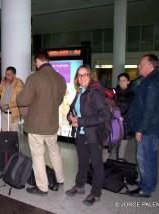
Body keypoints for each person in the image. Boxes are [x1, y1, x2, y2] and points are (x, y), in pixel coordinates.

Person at [17, 50, 66, 196]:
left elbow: (23, 100)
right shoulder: (60, 78)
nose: (35, 64)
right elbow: (60, 101)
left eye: (35, 62)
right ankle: (60, 178)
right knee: (54, 151)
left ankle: (42, 187)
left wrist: (20, 96)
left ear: (38, 60)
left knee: (38, 155)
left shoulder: (35, 77)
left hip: (36, 124)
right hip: (52, 123)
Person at [66, 65, 111, 206]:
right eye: (79, 75)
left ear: (90, 76)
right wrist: (70, 117)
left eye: (85, 75)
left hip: (94, 134)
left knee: (97, 165)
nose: (82, 78)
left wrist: (80, 121)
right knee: (83, 162)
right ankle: (79, 186)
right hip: (81, 134)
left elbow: (105, 115)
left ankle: (96, 193)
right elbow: (73, 110)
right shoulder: (80, 91)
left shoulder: (95, 91)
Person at [127, 54, 159, 198]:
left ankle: (146, 189)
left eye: (141, 64)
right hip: (152, 128)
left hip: (149, 130)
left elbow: (149, 110)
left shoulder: (152, 83)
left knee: (144, 158)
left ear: (150, 66)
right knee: (150, 158)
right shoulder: (152, 80)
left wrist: (140, 129)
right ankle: (150, 183)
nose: (139, 66)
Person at [113, 73, 134, 161]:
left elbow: (133, 109)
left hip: (125, 123)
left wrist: (124, 117)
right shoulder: (114, 93)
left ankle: (120, 161)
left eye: (124, 80)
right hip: (113, 122)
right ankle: (105, 164)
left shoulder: (132, 94)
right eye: (120, 81)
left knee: (122, 145)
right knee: (110, 144)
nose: (122, 83)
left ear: (128, 81)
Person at [0, 66, 24, 131]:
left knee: (13, 135)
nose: (6, 76)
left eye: (9, 75)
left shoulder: (19, 83)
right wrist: (1, 84)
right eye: (6, 74)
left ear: (14, 75)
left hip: (13, 114)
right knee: (4, 135)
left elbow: (21, 100)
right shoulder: (5, 83)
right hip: (4, 113)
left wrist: (8, 106)